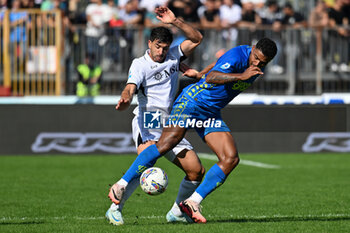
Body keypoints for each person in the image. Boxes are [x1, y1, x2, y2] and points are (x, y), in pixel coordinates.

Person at [109, 37, 277, 223]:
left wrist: (200, 73)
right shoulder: (239, 55)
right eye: (256, 58)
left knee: (229, 159)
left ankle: (187, 206)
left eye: (263, 62)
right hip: (188, 103)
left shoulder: (252, 61)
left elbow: (215, 64)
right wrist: (241, 76)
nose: (257, 63)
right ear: (253, 48)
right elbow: (213, 75)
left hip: (210, 112)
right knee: (163, 146)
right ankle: (120, 188)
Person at [106, 6, 205, 225]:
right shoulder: (140, 64)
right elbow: (130, 87)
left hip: (169, 122)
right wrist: (125, 97)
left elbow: (197, 38)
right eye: (157, 46)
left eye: (165, 47)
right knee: (148, 158)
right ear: (149, 43)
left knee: (196, 170)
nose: (161, 52)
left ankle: (177, 213)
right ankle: (115, 207)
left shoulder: (173, 55)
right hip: (148, 118)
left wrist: (175, 21)